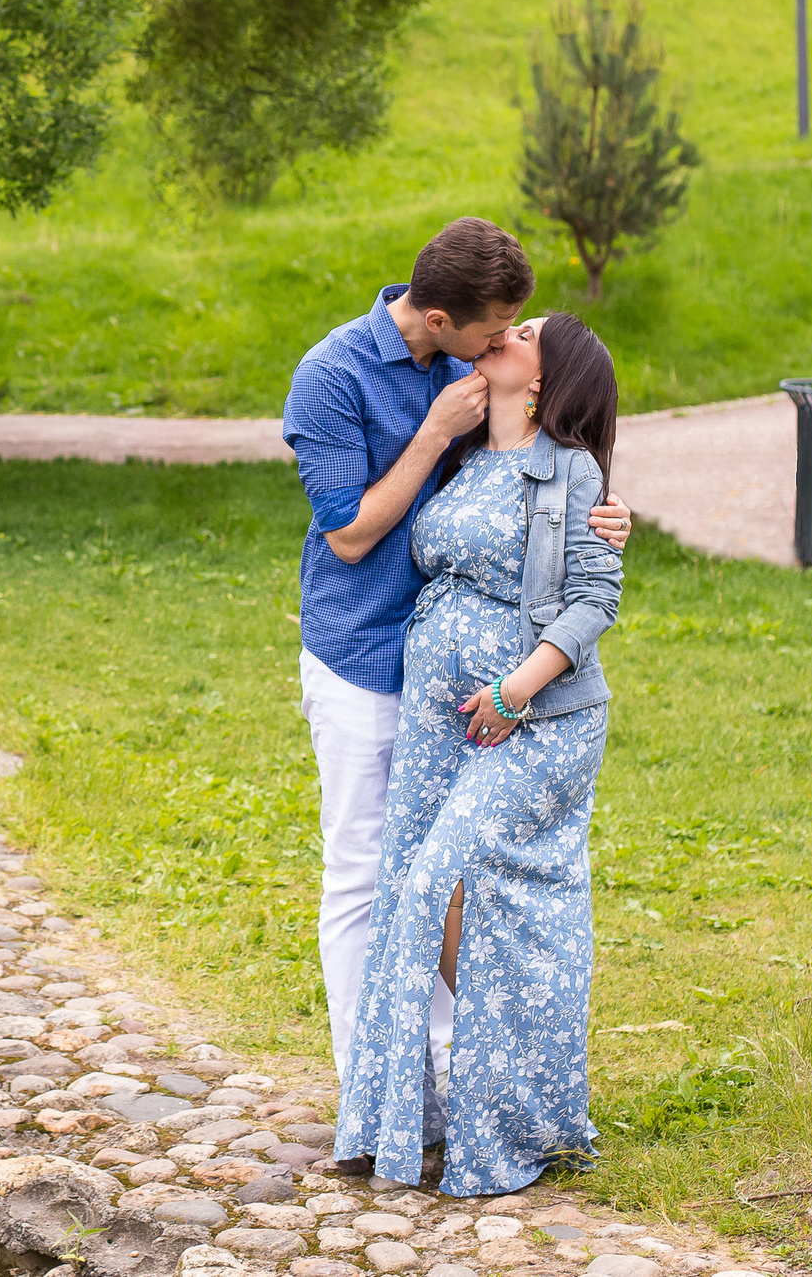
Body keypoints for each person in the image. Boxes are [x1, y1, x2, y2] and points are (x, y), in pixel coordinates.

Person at [281, 218, 630, 1117]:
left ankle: (453, 1073)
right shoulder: (333, 378)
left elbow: (536, 470)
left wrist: (606, 511)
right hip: (363, 655)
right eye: (492, 332)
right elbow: (352, 533)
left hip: (461, 686)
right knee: (369, 872)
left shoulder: (475, 363)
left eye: (514, 331)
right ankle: (378, 1087)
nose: (502, 343)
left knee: (447, 872)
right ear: (439, 318)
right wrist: (434, 433)